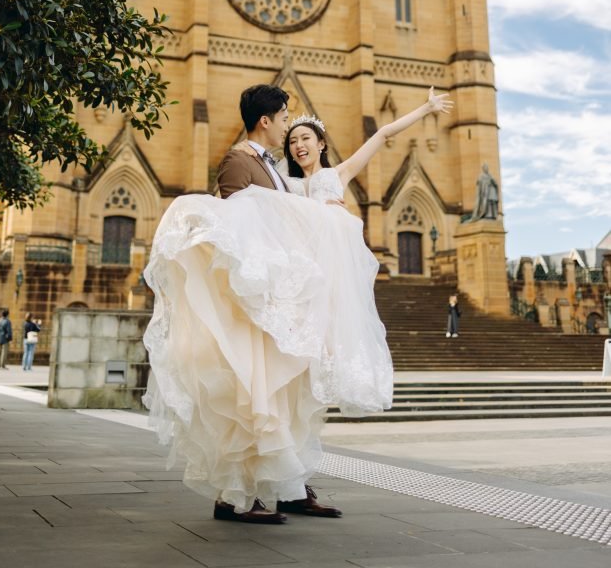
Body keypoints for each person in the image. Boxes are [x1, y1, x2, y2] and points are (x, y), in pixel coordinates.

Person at [143, 84, 452, 525]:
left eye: (302, 131)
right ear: (266, 121)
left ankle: (289, 488)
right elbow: (235, 228)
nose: (292, 130)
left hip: (296, 299)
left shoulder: (278, 172)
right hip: (257, 304)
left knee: (292, 399)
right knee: (253, 398)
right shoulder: (240, 160)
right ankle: (233, 497)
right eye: (286, 121)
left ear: (320, 143)